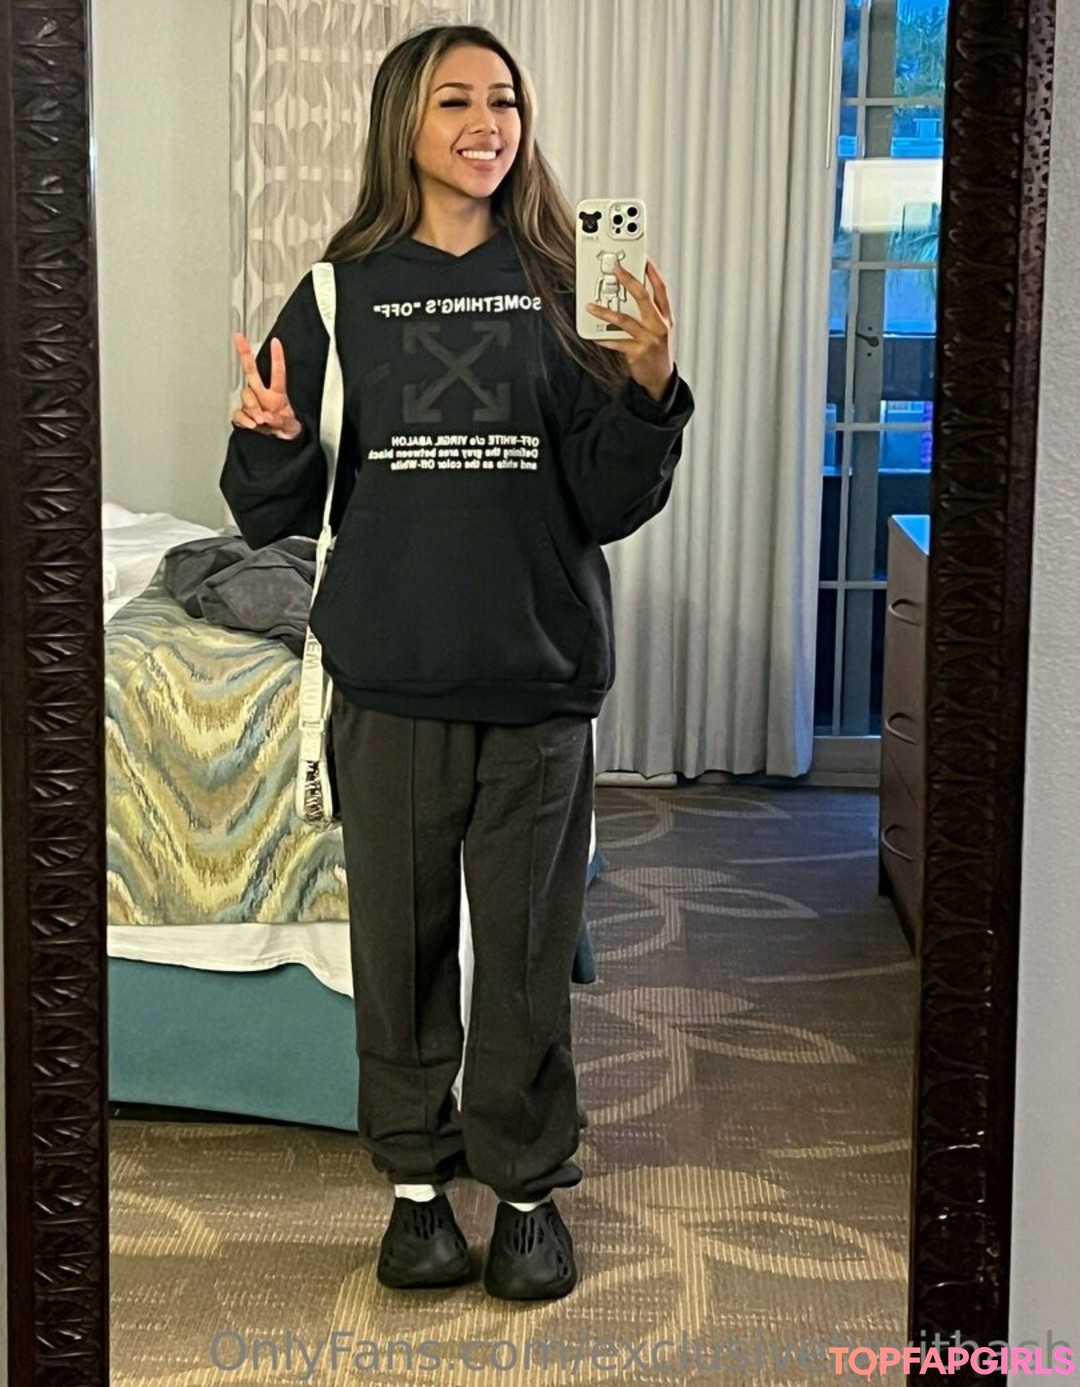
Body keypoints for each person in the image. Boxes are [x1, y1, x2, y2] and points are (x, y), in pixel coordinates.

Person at [221, 23, 693, 1302]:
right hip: (390, 679)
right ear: (405, 124)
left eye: (504, 101)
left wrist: (648, 387)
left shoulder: (569, 281)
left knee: (529, 955)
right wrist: (272, 433)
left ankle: (528, 1193)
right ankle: (418, 1194)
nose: (487, 123)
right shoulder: (340, 292)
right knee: (402, 949)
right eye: (455, 101)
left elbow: (606, 498)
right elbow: (270, 509)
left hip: (537, 678)